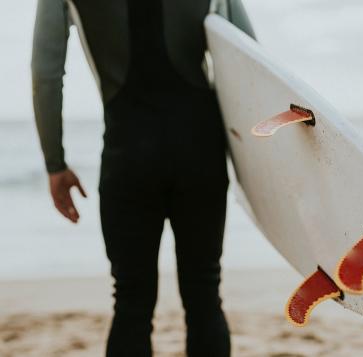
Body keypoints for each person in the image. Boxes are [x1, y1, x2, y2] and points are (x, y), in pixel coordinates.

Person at [31, 0, 255, 356]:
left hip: (128, 154)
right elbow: (249, 58)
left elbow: (46, 72)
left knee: (131, 302)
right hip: (200, 153)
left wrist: (54, 164)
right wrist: (257, 166)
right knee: (204, 293)